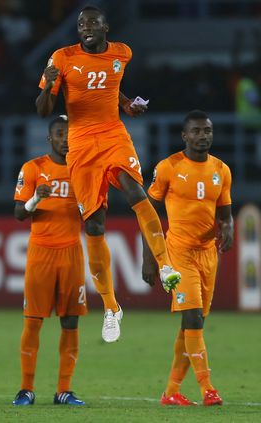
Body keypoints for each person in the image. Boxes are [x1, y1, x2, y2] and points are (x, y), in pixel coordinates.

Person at [35, 5, 181, 343]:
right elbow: (43, 110)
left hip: (114, 134)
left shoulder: (121, 53)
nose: (85, 27)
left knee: (135, 192)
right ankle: (112, 307)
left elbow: (110, 87)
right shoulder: (61, 57)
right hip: (82, 143)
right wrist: (49, 87)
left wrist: (127, 104)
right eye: (81, 23)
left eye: (92, 23)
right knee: (94, 225)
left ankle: (166, 263)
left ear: (106, 28)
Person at [143, 110, 232, 407]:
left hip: (208, 255)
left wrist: (228, 228)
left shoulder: (222, 169)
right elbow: (149, 213)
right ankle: (208, 388)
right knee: (192, 318)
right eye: (196, 131)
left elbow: (225, 213)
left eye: (207, 131)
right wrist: (150, 258)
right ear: (184, 136)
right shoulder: (168, 167)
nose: (202, 136)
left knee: (193, 325)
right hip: (178, 253)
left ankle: (171, 392)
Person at [11, 115, 86, 407]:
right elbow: (19, 213)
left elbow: (95, 213)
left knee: (70, 321)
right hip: (41, 252)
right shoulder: (33, 168)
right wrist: (34, 201)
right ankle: (26, 389)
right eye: (59, 133)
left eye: (69, 133)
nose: (65, 138)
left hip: (71, 253)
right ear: (50, 138)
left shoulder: (84, 170)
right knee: (33, 321)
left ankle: (63, 390)